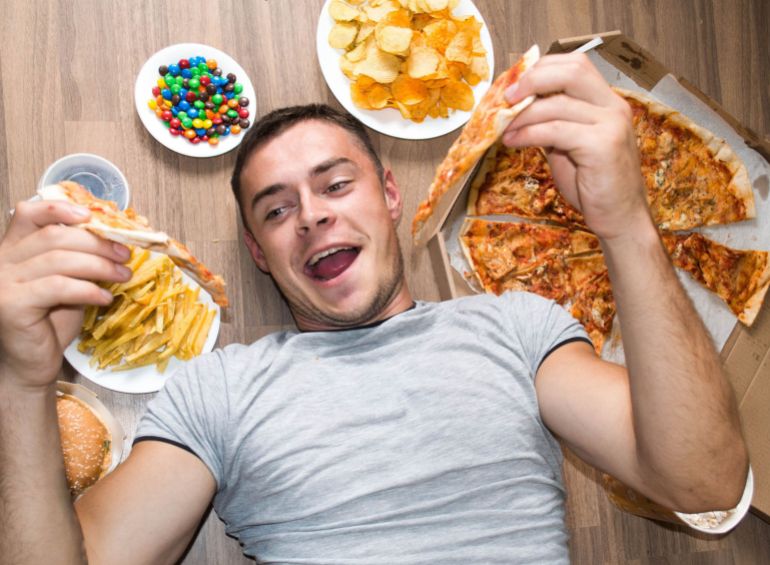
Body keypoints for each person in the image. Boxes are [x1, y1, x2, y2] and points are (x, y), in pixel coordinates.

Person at [0, 53, 749, 565]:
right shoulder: (217, 391)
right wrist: (22, 381)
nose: (312, 217)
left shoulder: (514, 326)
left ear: (392, 197)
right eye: (276, 208)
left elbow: (706, 484)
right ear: (260, 254)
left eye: (335, 184)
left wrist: (624, 221)